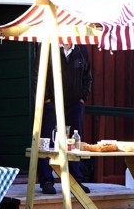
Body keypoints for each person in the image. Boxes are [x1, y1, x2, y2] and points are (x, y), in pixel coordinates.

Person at [35, 43, 94, 193]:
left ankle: (74, 180)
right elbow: (37, 74)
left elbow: (88, 75)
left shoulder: (81, 49)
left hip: (74, 103)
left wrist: (83, 98)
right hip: (52, 103)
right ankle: (46, 180)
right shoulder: (47, 46)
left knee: (75, 141)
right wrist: (46, 99)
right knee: (46, 141)